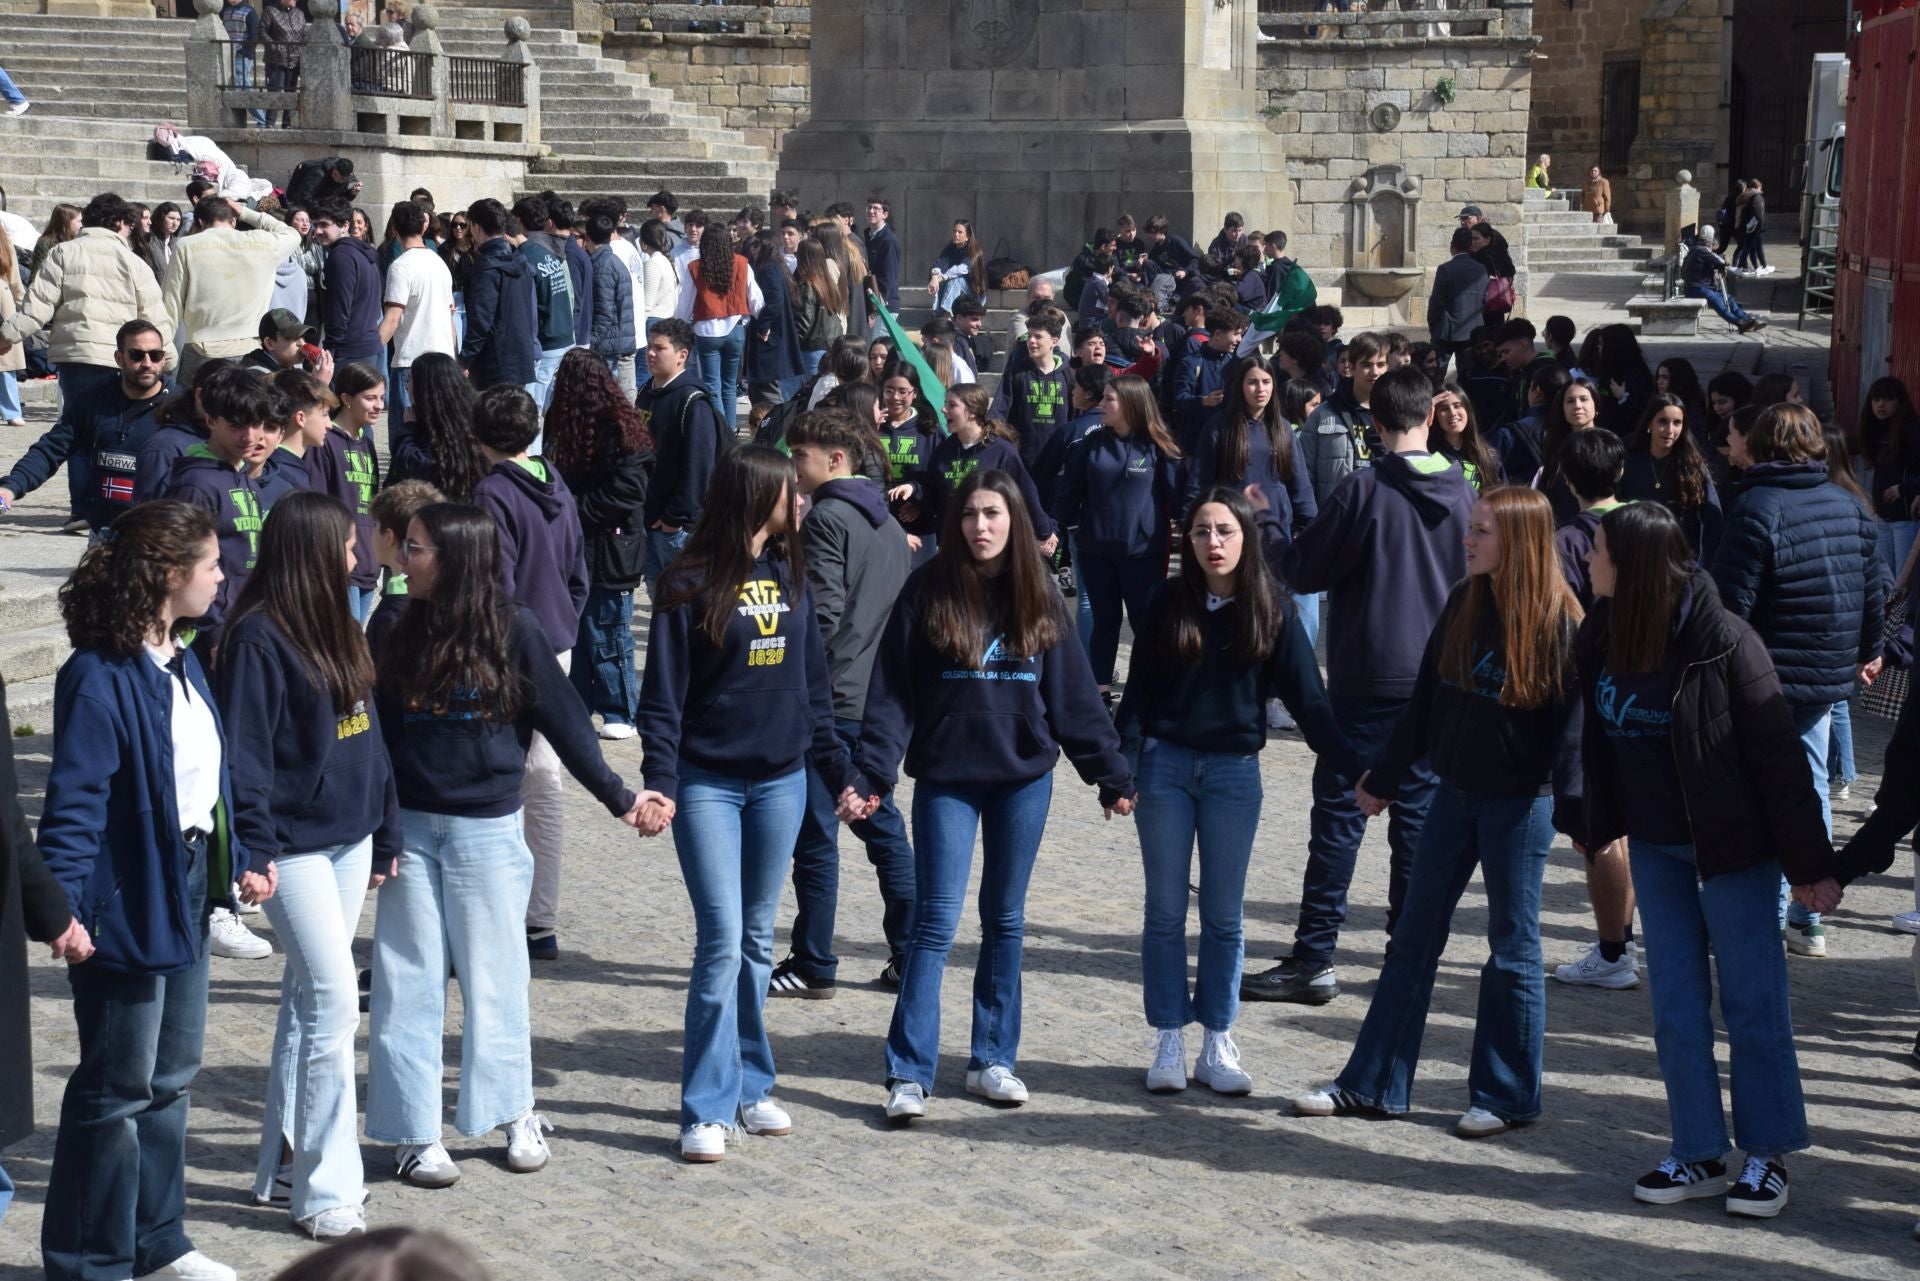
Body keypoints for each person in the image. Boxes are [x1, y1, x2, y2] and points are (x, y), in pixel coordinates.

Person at [365, 501, 648, 1187]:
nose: (405, 558)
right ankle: (412, 1131)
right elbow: (374, 734)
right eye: (405, 545)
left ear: (457, 557)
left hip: (487, 830)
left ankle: (512, 1107)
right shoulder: (393, 623)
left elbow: (567, 721)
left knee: (498, 978)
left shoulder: (513, 628)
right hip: (412, 832)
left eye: (419, 548)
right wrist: (379, 829)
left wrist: (621, 796)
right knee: (407, 982)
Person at [1294, 484, 1582, 1136]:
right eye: (1472, 526)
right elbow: (1425, 704)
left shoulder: (1560, 623)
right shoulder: (1461, 600)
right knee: (1412, 938)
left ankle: (1506, 1094)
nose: (1468, 538)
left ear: (1520, 543)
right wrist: (1386, 778)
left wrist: (1580, 814)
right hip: (1452, 795)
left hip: (1520, 807)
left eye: (1482, 530)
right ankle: (1370, 1083)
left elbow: (1573, 738)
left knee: (1512, 946)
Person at [854, 468, 1135, 1122]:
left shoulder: (1039, 594)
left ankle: (992, 1058)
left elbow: (1071, 698)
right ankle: (909, 1071)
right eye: (971, 514)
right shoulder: (926, 589)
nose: (981, 526)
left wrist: (1111, 774)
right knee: (935, 921)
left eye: (993, 514)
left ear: (1014, 521)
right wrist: (871, 774)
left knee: (1005, 919)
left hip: (1022, 778)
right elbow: (892, 694)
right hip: (947, 776)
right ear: (955, 522)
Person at [1576, 501, 1831, 1215]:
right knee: (1677, 1008)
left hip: (1734, 850)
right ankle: (1697, 1151)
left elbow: (1783, 762)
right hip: (1655, 846)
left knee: (1752, 1001)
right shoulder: (1602, 631)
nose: (1587, 560)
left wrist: (1811, 866)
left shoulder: (1727, 642)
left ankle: (1768, 1154)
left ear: (1634, 565)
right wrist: (1588, 819)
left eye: (1597, 550)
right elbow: (1590, 740)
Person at [39, 499, 270, 1281]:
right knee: (115, 1088)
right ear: (170, 574)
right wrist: (65, 910)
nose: (222, 575)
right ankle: (87, 1259)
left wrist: (236, 856)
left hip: (186, 886)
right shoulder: (98, 675)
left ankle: (157, 1240)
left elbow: (208, 778)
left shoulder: (185, 654)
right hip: (124, 895)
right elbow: (72, 805)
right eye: (210, 564)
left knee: (171, 1077)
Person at [627, 445, 849, 1158]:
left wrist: (838, 770)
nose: (802, 500)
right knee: (721, 940)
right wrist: (657, 780)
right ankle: (705, 1105)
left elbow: (813, 685)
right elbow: (660, 700)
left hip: (782, 780)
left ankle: (752, 1084)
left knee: (757, 940)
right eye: (791, 492)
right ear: (758, 497)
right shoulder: (686, 581)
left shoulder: (791, 573)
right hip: (708, 784)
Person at [1243, 367, 1476, 1005]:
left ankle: (1316, 958)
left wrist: (1263, 524)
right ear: (1430, 416)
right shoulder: (1464, 495)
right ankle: (1409, 956)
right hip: (1438, 679)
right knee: (1419, 826)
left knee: (1342, 817)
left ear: (1373, 423)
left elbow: (1300, 568)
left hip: (1368, 677)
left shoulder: (1363, 488)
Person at [1118, 486, 1352, 1095]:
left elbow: (1310, 701)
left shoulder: (1270, 607)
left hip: (1233, 774)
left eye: (1225, 531)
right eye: (1201, 532)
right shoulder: (1167, 601)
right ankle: (1168, 1033)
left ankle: (1217, 1039)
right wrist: (1120, 770)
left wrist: (1355, 768)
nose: (1213, 543)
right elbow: (1137, 695)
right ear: (1186, 540)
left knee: (1224, 916)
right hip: (1164, 770)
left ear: (1246, 538)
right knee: (1165, 912)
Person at [212, 491, 393, 1240]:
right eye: (347, 545)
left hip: (351, 839)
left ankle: (282, 1161)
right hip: (292, 848)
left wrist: (385, 826)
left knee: (305, 1002)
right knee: (333, 1004)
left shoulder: (341, 623)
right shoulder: (257, 639)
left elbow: (369, 736)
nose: (359, 555)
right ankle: (324, 1191)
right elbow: (245, 758)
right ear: (314, 552)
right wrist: (253, 850)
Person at [1711, 402, 1885, 959]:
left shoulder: (1755, 505)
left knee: (1758, 793)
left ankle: (1767, 911)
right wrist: (1869, 651)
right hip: (1824, 674)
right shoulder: (1848, 504)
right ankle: (1806, 915)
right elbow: (1871, 591)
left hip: (1763, 678)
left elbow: (1730, 608)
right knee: (1810, 785)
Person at [769, 411, 915, 1000]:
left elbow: (820, 618)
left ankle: (814, 962)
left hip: (832, 698)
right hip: (875, 694)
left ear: (835, 459)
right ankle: (908, 952)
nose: (792, 464)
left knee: (819, 837)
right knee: (881, 828)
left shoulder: (828, 518)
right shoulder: (885, 522)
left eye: (799, 454)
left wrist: (789, 683)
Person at [469, 386, 589, 958]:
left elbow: (497, 583)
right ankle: (534, 913)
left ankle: (529, 915)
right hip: (556, 640)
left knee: (528, 776)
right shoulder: (556, 481)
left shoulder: (493, 494)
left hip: (515, 646)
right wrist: (563, 622)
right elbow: (577, 571)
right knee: (541, 775)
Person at [544, 349, 655, 740]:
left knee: (609, 631)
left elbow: (627, 493)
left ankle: (620, 708)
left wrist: (572, 508)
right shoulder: (563, 422)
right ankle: (579, 704)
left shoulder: (621, 431)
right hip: (576, 548)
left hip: (612, 548)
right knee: (578, 630)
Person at [0, 193, 173, 443]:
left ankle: (81, 482)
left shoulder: (62, 253)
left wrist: (6, 336)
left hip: (75, 356)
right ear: (118, 224)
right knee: (111, 431)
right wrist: (167, 357)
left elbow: (36, 309)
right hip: (119, 358)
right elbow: (155, 318)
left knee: (77, 431)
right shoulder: (134, 263)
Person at [1055, 373, 1181, 704]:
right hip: (1096, 551)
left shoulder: (1159, 447)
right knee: (1104, 622)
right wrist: (1051, 531)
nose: (1102, 404)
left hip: (1143, 554)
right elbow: (1068, 494)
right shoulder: (1091, 444)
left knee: (1145, 624)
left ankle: (1150, 690)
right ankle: (1100, 694)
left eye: (1109, 399)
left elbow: (1179, 499)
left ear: (1130, 404)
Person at [0, 319, 173, 529]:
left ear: (163, 359)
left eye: (155, 355)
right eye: (137, 355)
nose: (147, 363)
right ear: (119, 358)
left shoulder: (182, 408)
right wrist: (11, 487)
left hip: (161, 534)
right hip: (104, 534)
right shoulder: (93, 402)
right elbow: (51, 450)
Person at [162, 365, 275, 664]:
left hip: (248, 625)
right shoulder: (195, 485)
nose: (250, 436)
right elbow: (180, 563)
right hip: (209, 639)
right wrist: (213, 632)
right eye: (237, 425)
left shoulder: (248, 480)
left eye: (257, 423)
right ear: (211, 420)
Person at [160, 196, 301, 382]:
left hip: (201, 347)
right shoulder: (263, 242)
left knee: (194, 407)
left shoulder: (186, 246)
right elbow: (292, 234)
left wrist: (162, 350)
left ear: (200, 222)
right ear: (234, 221)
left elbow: (171, 303)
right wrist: (245, 212)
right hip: (249, 347)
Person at [636, 318, 725, 597]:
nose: (650, 353)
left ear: (682, 355)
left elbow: (699, 467)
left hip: (677, 529)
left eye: (659, 348)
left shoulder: (692, 402)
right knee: (660, 604)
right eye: (650, 346)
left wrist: (676, 517)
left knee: (685, 609)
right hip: (650, 520)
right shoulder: (646, 392)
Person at [926, 384, 1054, 548]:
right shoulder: (943, 451)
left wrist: (1044, 531)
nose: (944, 410)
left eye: (952, 405)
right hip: (952, 544)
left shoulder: (1002, 451)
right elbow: (931, 492)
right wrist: (915, 493)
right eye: (945, 404)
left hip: (991, 543)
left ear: (972, 412)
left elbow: (1026, 492)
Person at [308, 361, 383, 623]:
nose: (379, 406)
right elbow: (317, 502)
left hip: (368, 562)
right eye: (370, 398)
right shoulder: (326, 442)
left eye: (381, 398)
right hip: (340, 564)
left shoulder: (367, 444)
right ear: (347, 399)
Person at [676, 225, 761, 432]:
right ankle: (731, 430)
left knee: (713, 386)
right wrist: (762, 323)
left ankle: (721, 432)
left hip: (706, 331)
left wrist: (677, 324)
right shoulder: (742, 263)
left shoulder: (695, 267)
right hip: (736, 330)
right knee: (730, 386)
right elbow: (757, 300)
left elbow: (684, 305)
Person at [1619, 392, 1723, 560]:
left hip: (1680, 561)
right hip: (1635, 557)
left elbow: (1712, 521)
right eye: (1663, 422)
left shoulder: (1693, 466)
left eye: (1677, 423)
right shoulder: (1629, 462)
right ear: (1649, 424)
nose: (1670, 430)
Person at [379, 200, 456, 425]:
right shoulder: (440, 264)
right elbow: (449, 319)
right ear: (424, 226)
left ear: (394, 228)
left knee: (405, 439)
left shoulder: (401, 266)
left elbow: (392, 319)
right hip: (443, 361)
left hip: (410, 362)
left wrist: (371, 355)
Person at [1297, 330, 1387, 507]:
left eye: (1381, 364)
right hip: (1336, 518)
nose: (1375, 372)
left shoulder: (1398, 414)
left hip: (1383, 516)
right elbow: (1304, 474)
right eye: (1367, 365)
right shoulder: (1324, 414)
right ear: (1351, 367)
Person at [458, 200, 537, 394]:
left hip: (496, 363)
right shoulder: (520, 259)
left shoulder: (487, 267)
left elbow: (481, 321)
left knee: (495, 420)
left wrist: (464, 360)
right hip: (521, 354)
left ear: (476, 226)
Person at [311, 198, 384, 374]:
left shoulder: (341, 257)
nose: (317, 231)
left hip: (350, 352)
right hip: (369, 346)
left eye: (324, 225)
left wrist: (331, 352)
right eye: (315, 225)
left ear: (344, 226)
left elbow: (339, 309)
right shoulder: (363, 253)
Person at [1860, 375, 1920, 577]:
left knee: (1903, 578)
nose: (1880, 405)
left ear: (1899, 401)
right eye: (1876, 400)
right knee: (1885, 576)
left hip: (1906, 518)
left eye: (1887, 399)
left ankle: (1900, 610)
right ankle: (1888, 610)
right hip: (1883, 516)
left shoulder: (1911, 431)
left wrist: (1903, 488)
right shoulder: (1876, 429)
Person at [581, 204, 638, 396]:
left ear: (587, 238)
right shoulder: (611, 261)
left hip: (607, 343)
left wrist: (590, 344)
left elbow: (604, 312)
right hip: (615, 339)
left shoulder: (603, 267)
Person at [1427, 227, 1488, 381]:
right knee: (1468, 376)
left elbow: (1436, 302)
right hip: (1471, 330)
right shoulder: (1481, 269)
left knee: (1436, 374)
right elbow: (1484, 300)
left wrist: (1433, 325)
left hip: (1445, 330)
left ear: (1452, 246)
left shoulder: (1445, 269)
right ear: (1471, 246)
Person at [1682, 227, 1767, 335]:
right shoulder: (1700, 251)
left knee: (1729, 299)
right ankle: (1740, 323)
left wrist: (1721, 259)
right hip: (1695, 289)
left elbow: (1715, 258)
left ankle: (1747, 320)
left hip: (1704, 287)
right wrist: (1723, 263)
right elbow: (1718, 262)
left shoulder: (1700, 250)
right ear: (1709, 241)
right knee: (1718, 302)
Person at [1430, 380, 1501, 492]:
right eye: (1444, 409)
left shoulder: (1487, 454)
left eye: (1457, 406)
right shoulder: (1429, 455)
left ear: (1467, 410)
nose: (1452, 413)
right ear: (1434, 415)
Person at [792, 237, 845, 376]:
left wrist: (791, 343)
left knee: (811, 391)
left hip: (812, 347)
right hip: (832, 343)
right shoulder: (828, 283)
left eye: (798, 254)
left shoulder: (808, 285)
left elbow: (804, 320)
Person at [929, 219, 984, 314]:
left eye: (960, 232)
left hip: (974, 294)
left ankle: (947, 313)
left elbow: (959, 270)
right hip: (956, 291)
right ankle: (937, 312)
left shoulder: (975, 252)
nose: (956, 234)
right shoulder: (950, 249)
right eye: (954, 231)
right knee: (939, 280)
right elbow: (939, 263)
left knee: (955, 280)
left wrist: (941, 278)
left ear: (967, 236)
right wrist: (934, 277)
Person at [863, 197, 901, 315]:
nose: (871, 211)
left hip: (883, 308)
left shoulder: (888, 240)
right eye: (869, 208)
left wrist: (877, 306)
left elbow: (888, 276)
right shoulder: (867, 237)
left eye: (876, 209)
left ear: (885, 214)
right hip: (870, 304)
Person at [284, 157, 359, 211]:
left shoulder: (346, 178)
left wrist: (352, 193)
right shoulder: (318, 174)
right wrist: (324, 209)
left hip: (321, 206)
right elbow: (304, 198)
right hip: (301, 205)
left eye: (341, 179)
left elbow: (340, 197)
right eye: (335, 175)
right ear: (334, 168)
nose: (336, 180)